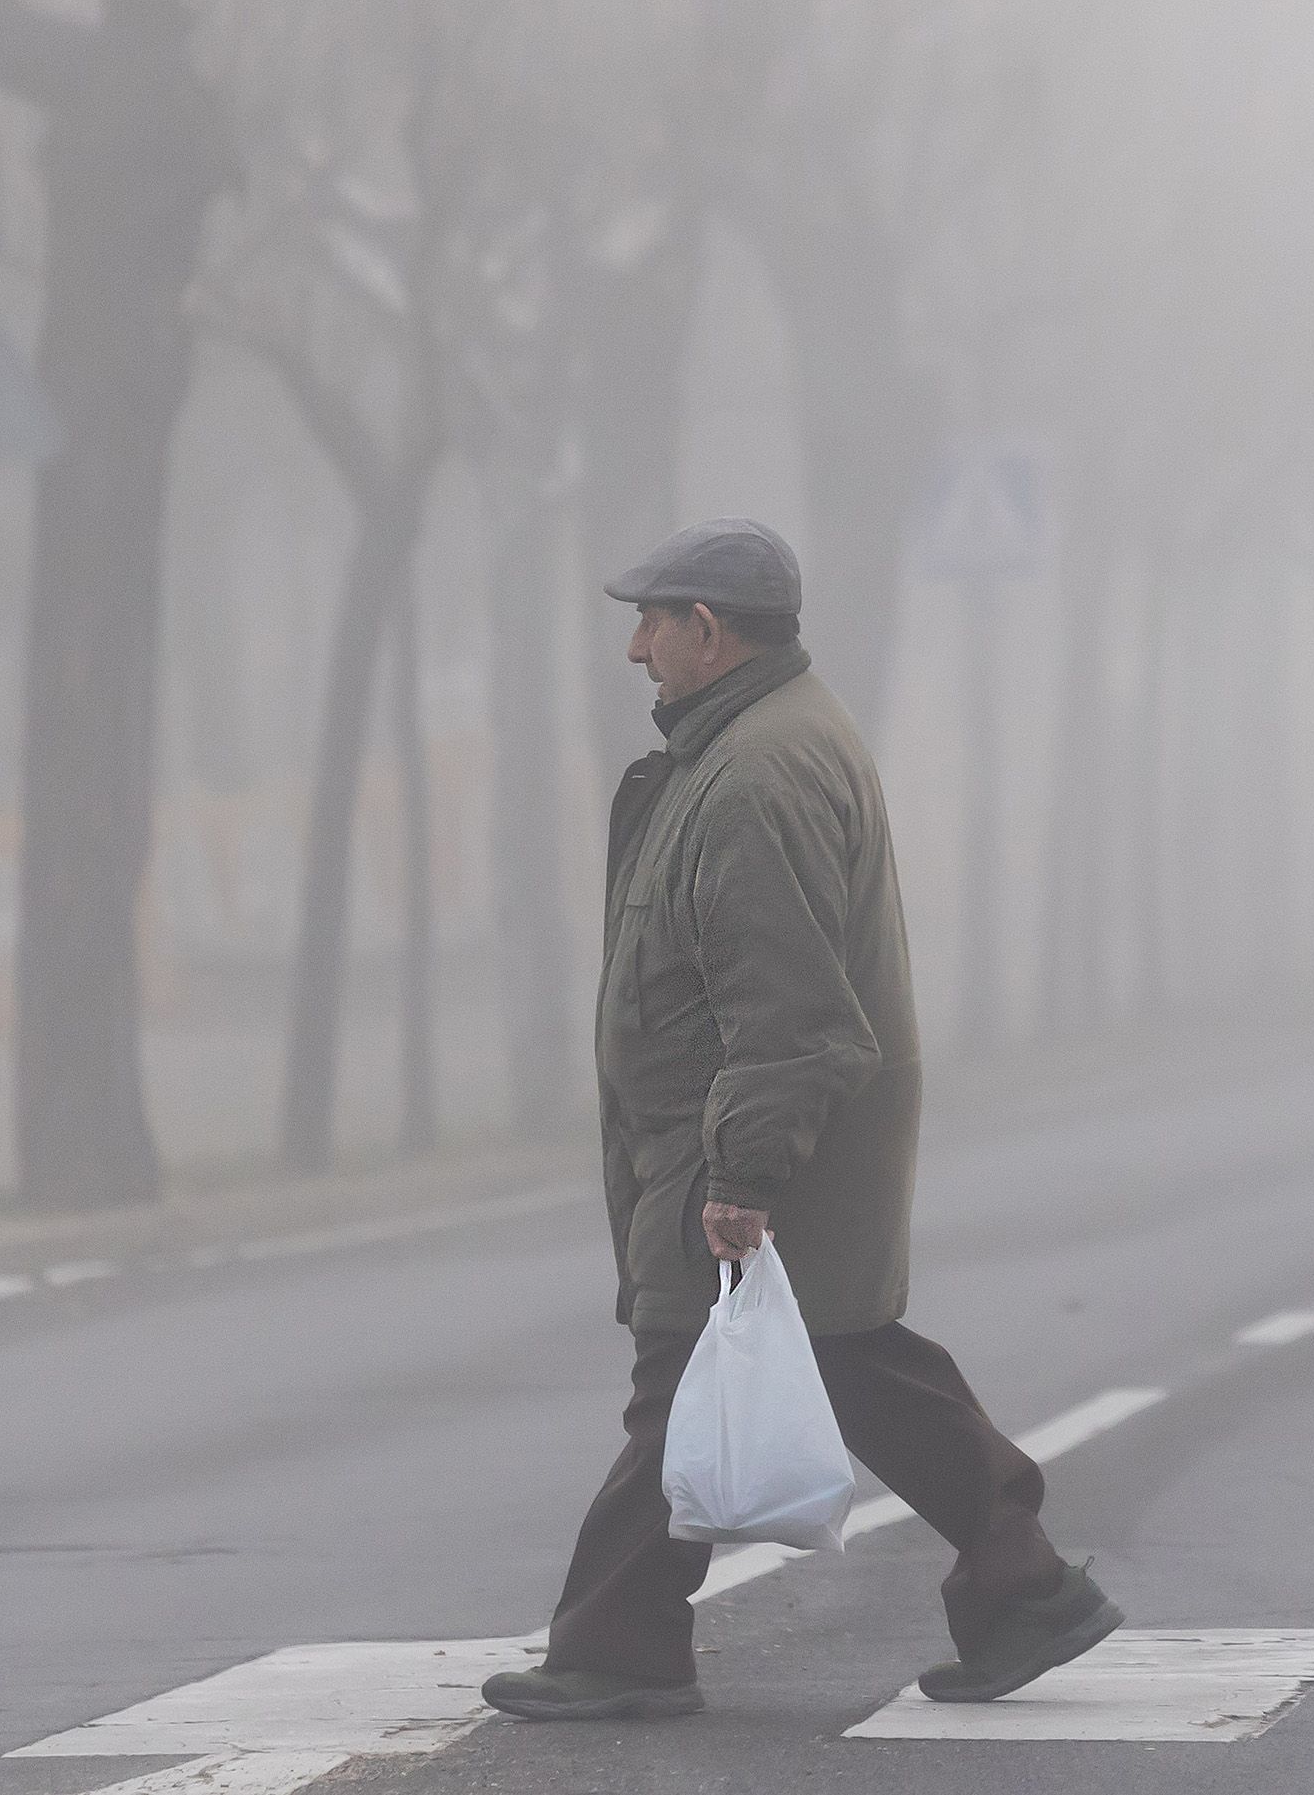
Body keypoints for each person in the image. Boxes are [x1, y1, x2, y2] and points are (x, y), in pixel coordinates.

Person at [484, 517, 1119, 1723]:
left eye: (651, 620)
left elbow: (787, 1008)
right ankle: (1023, 1582)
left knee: (687, 1374)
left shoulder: (755, 771)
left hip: (750, 1142)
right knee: (849, 1360)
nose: (635, 647)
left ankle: (618, 1645)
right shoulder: (757, 740)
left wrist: (742, 1170)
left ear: (707, 631)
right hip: (756, 1136)